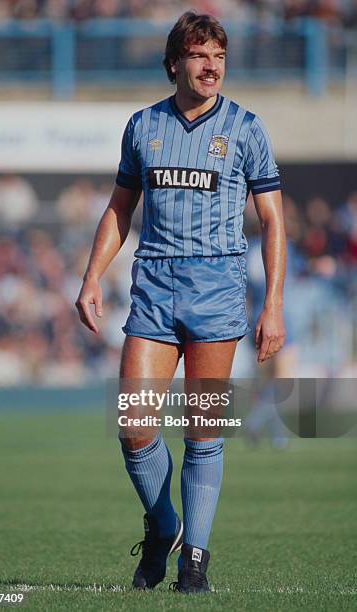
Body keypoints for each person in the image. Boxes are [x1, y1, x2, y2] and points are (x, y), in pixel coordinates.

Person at [76, 11, 286, 594]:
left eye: (218, 55)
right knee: (136, 426)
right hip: (154, 286)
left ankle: (194, 557)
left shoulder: (246, 128)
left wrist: (274, 303)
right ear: (175, 63)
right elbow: (121, 208)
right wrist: (92, 276)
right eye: (198, 54)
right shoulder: (143, 126)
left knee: (202, 429)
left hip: (217, 289)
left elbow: (271, 220)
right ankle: (163, 523)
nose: (210, 65)